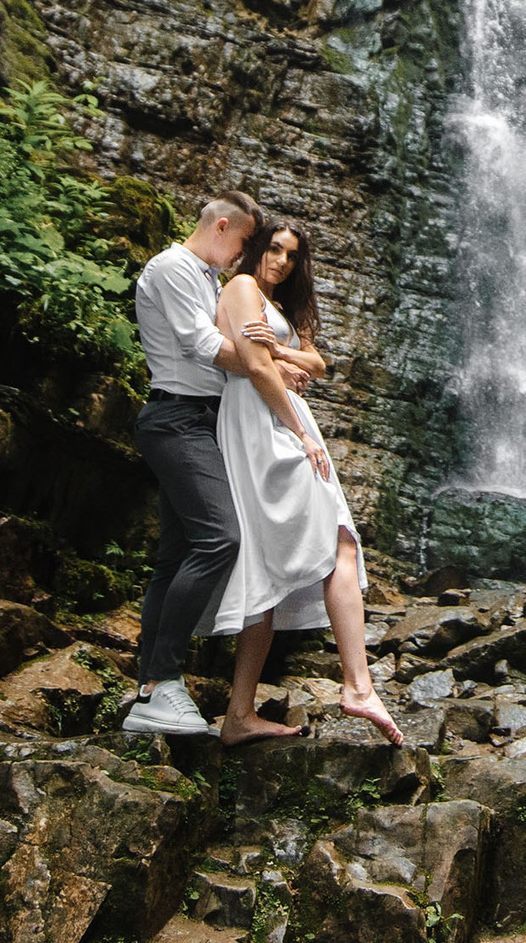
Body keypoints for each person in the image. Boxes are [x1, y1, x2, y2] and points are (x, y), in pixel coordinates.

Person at [122, 190, 312, 736]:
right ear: (223, 226)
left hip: (203, 421)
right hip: (177, 418)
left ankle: (150, 690)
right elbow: (202, 344)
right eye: (248, 242)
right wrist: (269, 366)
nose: (246, 255)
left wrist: (269, 358)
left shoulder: (208, 278)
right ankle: (163, 681)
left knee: (174, 556)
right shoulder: (174, 267)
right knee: (220, 538)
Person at [208, 218, 403, 747]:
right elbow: (254, 368)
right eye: (274, 249)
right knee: (340, 541)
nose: (281, 261)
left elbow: (314, 363)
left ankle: (239, 714)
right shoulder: (242, 286)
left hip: (284, 419)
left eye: (292, 255)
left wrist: (281, 352)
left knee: (267, 567)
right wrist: (300, 431)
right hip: (265, 421)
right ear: (256, 248)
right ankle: (358, 686)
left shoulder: (284, 307)